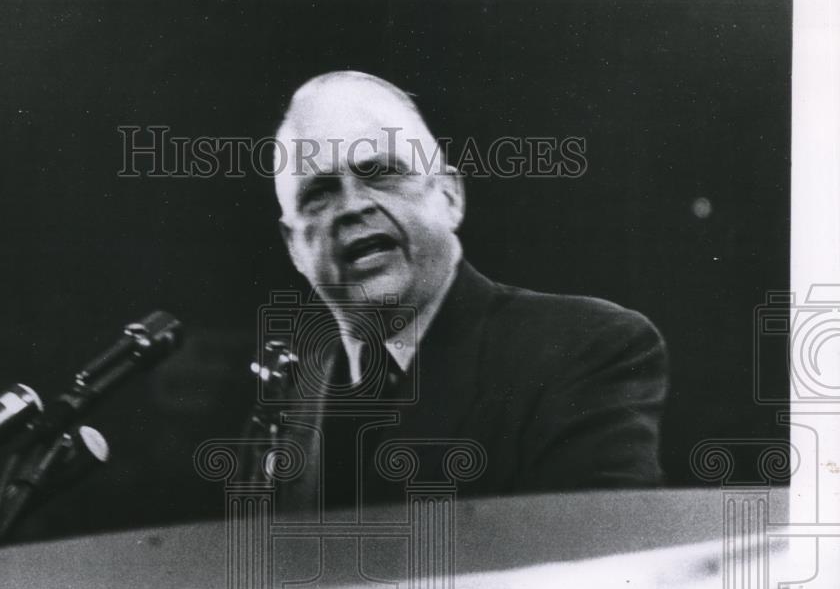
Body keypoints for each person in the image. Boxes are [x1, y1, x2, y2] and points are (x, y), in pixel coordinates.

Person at [253, 70, 668, 512]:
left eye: (381, 173)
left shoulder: (584, 349)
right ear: (294, 246)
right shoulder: (286, 407)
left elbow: (599, 565)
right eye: (319, 192)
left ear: (449, 197)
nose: (353, 206)